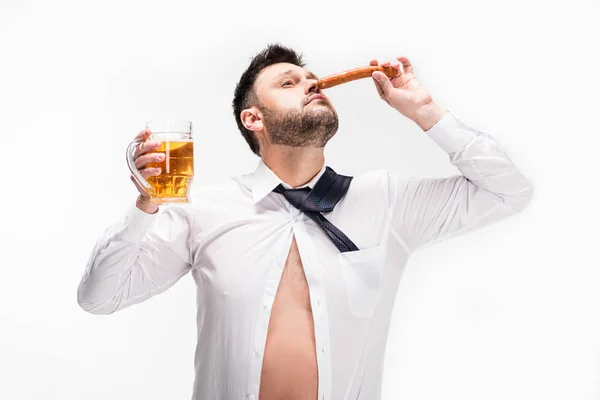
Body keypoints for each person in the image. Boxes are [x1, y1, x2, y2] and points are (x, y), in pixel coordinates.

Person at [77, 43, 534, 400]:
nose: (313, 85)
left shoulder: (388, 201)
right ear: (253, 118)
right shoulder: (202, 211)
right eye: (290, 82)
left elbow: (509, 190)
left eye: (315, 80)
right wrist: (146, 205)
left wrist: (424, 109)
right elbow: (100, 297)